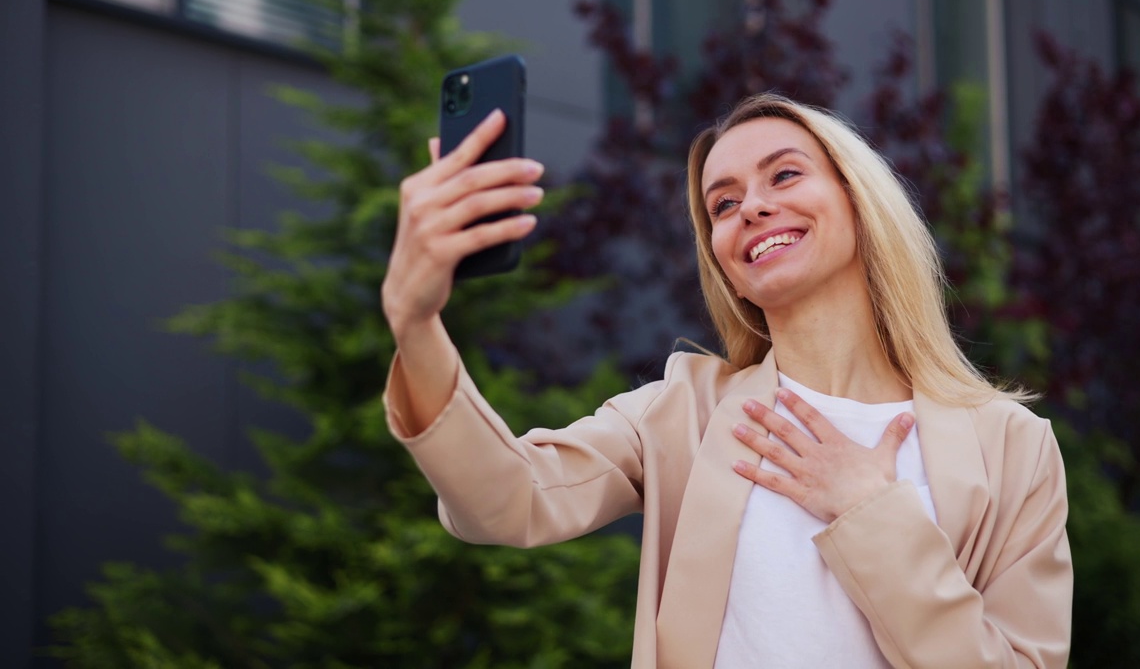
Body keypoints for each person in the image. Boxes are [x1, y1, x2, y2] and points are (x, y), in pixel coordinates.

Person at [381, 93, 1073, 669]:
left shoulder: (1011, 445)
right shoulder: (684, 412)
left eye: (785, 175)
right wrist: (416, 325)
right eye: (722, 203)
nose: (750, 208)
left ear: (859, 200)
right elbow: (504, 501)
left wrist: (870, 513)